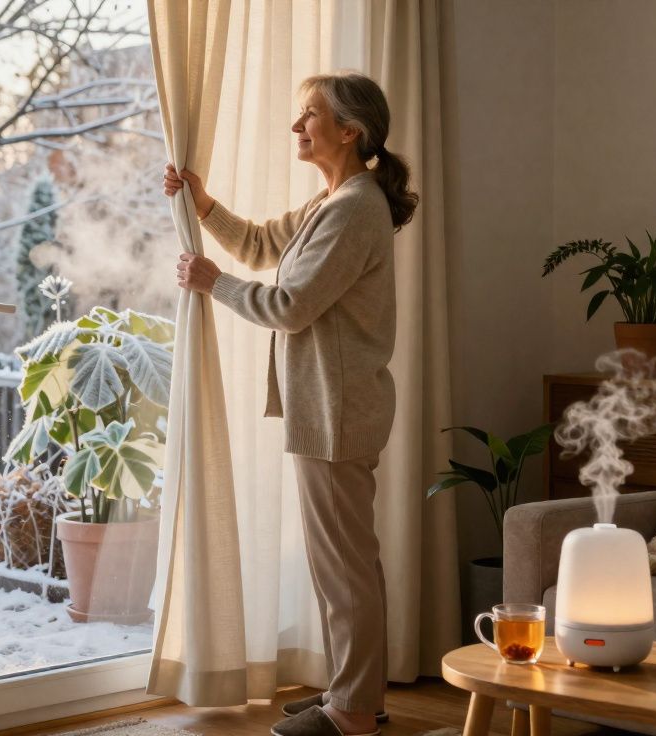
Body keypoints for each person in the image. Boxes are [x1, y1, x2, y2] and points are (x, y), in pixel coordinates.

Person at [165, 71, 417, 736]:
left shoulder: (356, 208)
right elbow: (260, 244)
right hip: (330, 407)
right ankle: (353, 693)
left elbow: (291, 305)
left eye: (309, 116)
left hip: (338, 410)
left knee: (346, 572)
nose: (297, 127)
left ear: (349, 131)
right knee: (343, 566)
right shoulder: (332, 201)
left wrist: (211, 284)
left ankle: (354, 710)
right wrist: (205, 204)